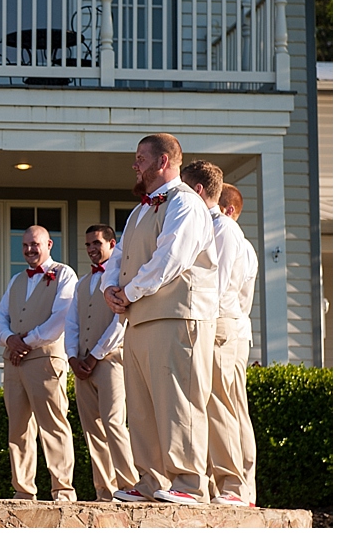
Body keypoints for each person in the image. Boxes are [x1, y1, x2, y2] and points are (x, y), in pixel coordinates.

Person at [104, 133, 218, 505]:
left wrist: (129, 292)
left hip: (177, 314)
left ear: (164, 161)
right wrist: (109, 287)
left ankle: (189, 482)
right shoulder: (139, 211)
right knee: (142, 406)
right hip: (138, 319)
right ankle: (151, 480)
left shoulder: (186, 203)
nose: (135, 164)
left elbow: (172, 259)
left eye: (141, 157)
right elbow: (119, 255)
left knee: (178, 401)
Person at [181, 162, 250, 507]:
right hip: (206, 319)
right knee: (206, 404)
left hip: (216, 321)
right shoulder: (206, 225)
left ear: (196, 191)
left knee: (221, 405)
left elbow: (218, 284)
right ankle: (212, 485)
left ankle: (234, 488)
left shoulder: (222, 228)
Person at [0, 225, 77, 501]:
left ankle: (63, 490)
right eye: (26, 245)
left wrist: (25, 342)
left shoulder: (64, 274)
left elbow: (61, 317)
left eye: (35, 244)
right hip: (14, 362)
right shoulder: (17, 279)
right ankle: (23, 490)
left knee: (53, 425)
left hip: (45, 360)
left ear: (49, 244)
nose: (30, 249)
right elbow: (0, 314)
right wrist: (9, 340)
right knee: (17, 429)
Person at [65, 224, 137, 502]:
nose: (92, 249)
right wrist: (73, 356)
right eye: (88, 245)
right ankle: (104, 492)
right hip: (82, 364)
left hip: (110, 362)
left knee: (114, 423)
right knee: (92, 429)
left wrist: (95, 355)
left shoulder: (119, 278)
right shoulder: (82, 283)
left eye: (97, 243)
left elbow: (121, 322)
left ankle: (129, 485)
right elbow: (72, 322)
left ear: (111, 244)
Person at [218, 182, 258, 506]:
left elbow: (223, 291)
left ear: (229, 210)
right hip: (229, 327)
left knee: (230, 408)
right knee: (226, 408)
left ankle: (241, 489)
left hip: (228, 329)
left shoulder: (232, 238)